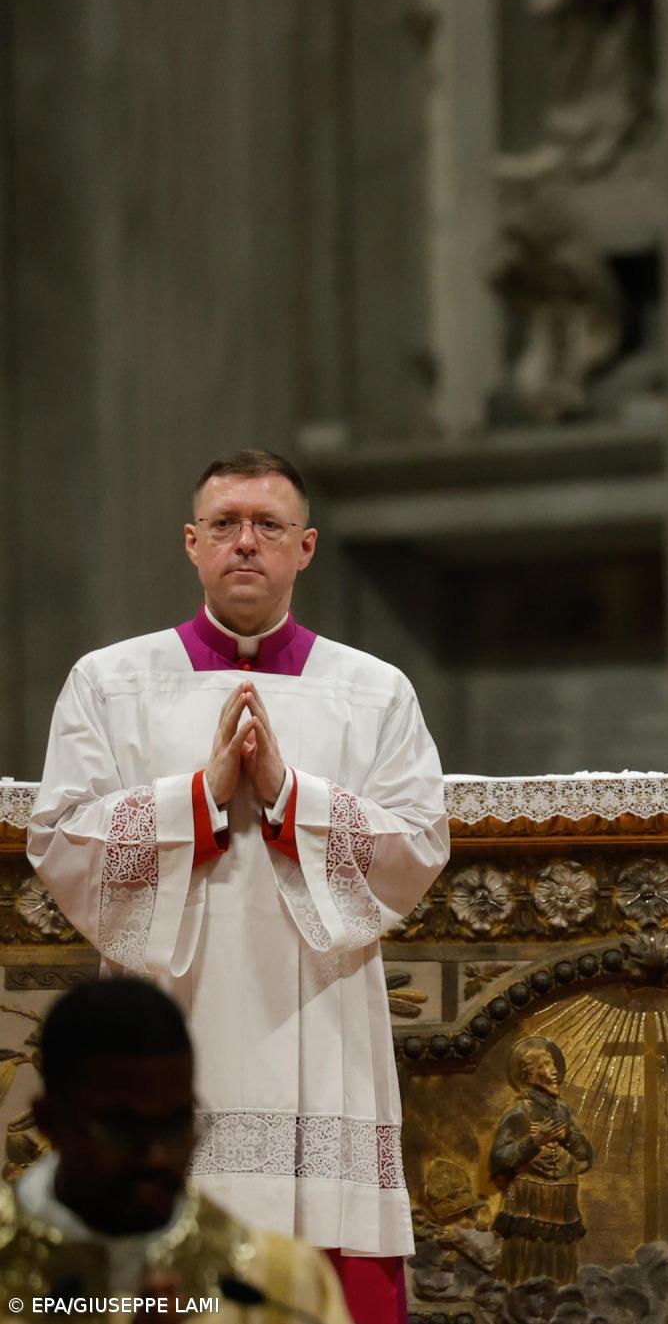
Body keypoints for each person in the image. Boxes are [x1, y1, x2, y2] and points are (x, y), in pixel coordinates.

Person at [27, 450, 450, 1324]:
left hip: (322, 1021)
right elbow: (61, 841)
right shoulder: (109, 682)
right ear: (192, 543)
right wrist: (202, 795)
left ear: (307, 545)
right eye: (224, 525)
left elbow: (418, 844)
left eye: (267, 525)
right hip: (172, 1019)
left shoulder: (375, 691)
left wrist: (291, 797)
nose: (245, 543)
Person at [0, 977, 352, 1323]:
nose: (156, 1157)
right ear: (49, 1121)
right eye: (123, 1130)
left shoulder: (276, 1280)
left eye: (174, 1126)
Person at [489, 1036, 595, 1284]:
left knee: (561, 1264)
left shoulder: (563, 1111)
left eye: (554, 1065)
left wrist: (567, 1135)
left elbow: (585, 1156)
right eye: (546, 1066)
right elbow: (498, 1159)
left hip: (561, 1201)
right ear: (529, 1076)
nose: (554, 1071)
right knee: (529, 1260)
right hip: (530, 1201)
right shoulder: (519, 1112)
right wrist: (533, 1143)